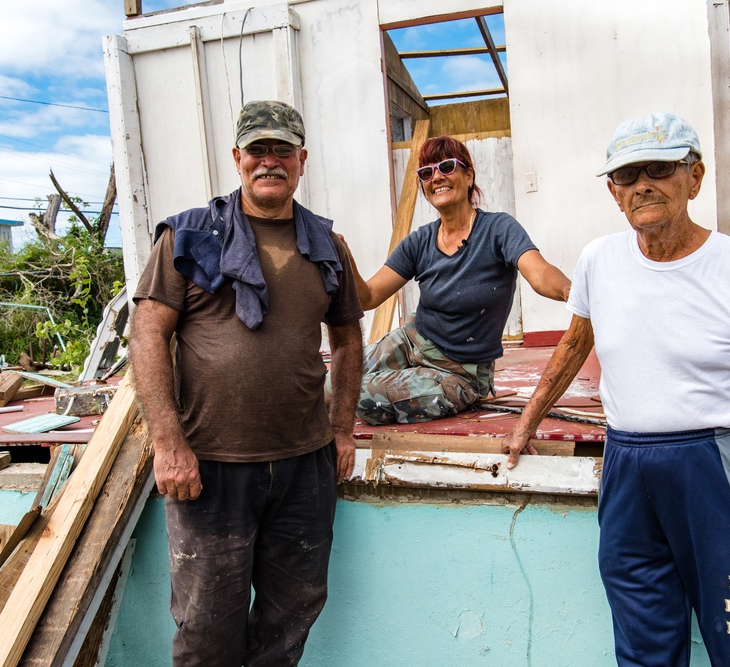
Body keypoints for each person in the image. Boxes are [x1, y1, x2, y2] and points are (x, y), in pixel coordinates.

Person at [502, 112, 730, 666]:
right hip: (627, 465)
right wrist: (528, 419)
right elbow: (576, 344)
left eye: (660, 168)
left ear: (694, 178)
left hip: (715, 466)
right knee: (644, 643)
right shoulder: (600, 260)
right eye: (627, 176)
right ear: (613, 193)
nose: (642, 184)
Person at [129, 100, 364, 666]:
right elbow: (146, 336)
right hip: (210, 467)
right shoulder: (188, 238)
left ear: (302, 160)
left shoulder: (327, 246)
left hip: (304, 464)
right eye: (257, 149)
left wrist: (342, 429)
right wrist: (167, 442)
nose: (270, 161)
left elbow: (349, 338)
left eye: (282, 149)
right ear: (237, 158)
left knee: (292, 613)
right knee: (207, 627)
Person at [341, 135, 571, 425]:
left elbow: (539, 273)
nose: (436, 177)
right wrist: (343, 257)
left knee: (358, 396)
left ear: (468, 175)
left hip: (460, 372)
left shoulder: (498, 230)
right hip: (414, 339)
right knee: (335, 382)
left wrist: (570, 290)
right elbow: (369, 296)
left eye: (447, 167)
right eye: (426, 172)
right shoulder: (419, 241)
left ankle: (458, 394)